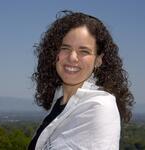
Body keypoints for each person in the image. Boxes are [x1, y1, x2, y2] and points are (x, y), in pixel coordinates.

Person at [28, 10, 134, 150]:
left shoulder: (100, 106)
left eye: (84, 51)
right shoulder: (59, 101)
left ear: (98, 60)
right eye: (65, 48)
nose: (72, 57)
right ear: (54, 53)